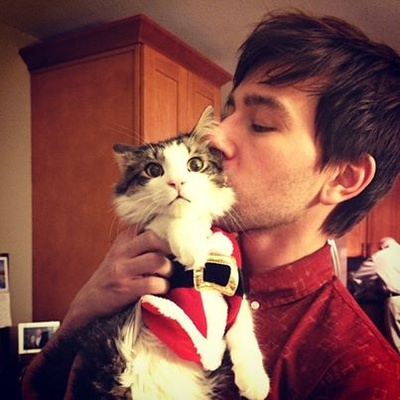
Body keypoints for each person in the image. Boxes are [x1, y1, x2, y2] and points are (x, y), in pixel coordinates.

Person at [22, 10, 400, 399]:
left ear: (343, 177)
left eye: (261, 124)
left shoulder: (363, 377)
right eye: (228, 112)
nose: (215, 137)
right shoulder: (148, 254)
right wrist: (78, 318)